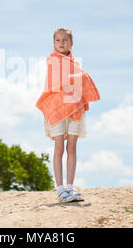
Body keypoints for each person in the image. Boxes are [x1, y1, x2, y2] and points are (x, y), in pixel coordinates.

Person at [36, 27, 100, 203]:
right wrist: (79, 77)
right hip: (57, 107)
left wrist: (81, 77)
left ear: (71, 43)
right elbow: (57, 83)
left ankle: (70, 187)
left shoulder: (75, 64)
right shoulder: (52, 62)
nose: (61, 43)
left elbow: (79, 79)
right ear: (53, 43)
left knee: (72, 146)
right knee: (59, 147)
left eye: (65, 40)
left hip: (74, 108)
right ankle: (60, 189)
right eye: (58, 40)